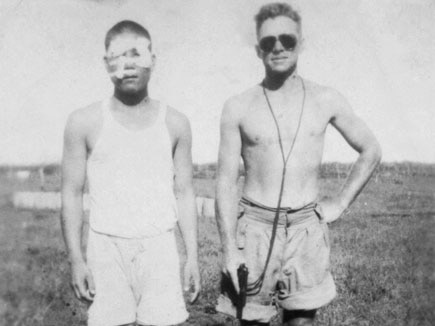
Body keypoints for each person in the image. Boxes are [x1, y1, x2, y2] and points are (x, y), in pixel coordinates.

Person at [215, 3, 382, 326]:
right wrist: (228, 249)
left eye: (287, 40)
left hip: (307, 228)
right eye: (268, 42)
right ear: (257, 49)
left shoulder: (326, 99)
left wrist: (341, 203)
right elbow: (224, 180)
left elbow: (371, 149)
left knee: (302, 321)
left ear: (301, 43)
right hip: (255, 229)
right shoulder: (237, 106)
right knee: (251, 320)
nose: (277, 47)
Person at [61, 20, 200, 326]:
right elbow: (71, 193)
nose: (128, 65)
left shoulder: (175, 122)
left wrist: (192, 256)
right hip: (105, 247)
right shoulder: (84, 121)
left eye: (136, 54)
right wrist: (76, 259)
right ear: (105, 64)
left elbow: (184, 191)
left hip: (159, 247)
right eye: (118, 57)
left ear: (153, 59)